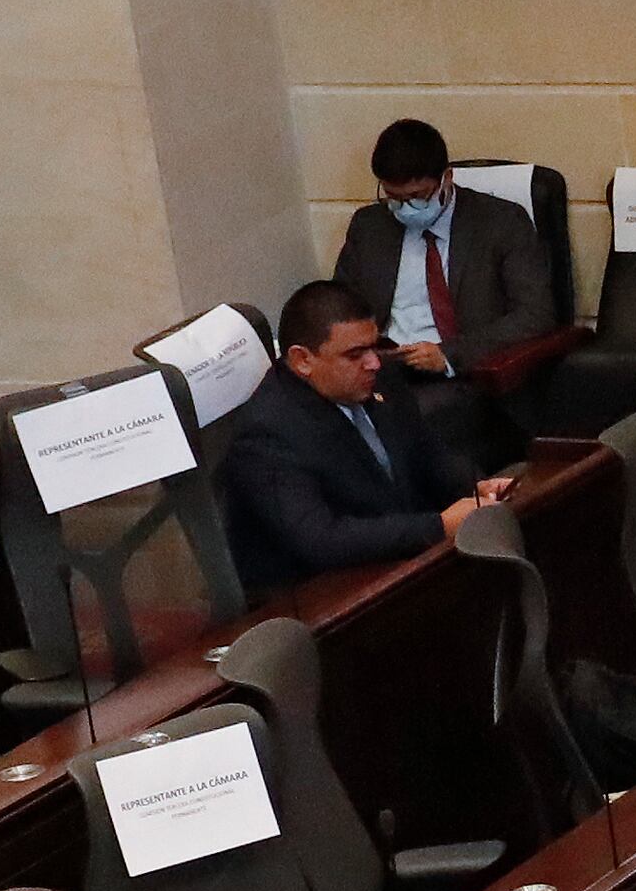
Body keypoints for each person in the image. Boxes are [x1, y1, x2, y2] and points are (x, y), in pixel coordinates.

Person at [221, 285, 500, 599]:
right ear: (302, 360)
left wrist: (476, 488)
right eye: (354, 355)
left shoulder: (379, 378)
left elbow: (428, 454)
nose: (373, 363)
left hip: (404, 567)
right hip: (325, 598)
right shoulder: (266, 434)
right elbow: (322, 540)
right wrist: (437, 527)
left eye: (374, 347)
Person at [329, 123, 561, 457]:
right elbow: (341, 307)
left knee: (399, 425)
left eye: (417, 197)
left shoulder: (500, 222)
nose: (404, 208)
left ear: (447, 179)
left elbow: (536, 314)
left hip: (462, 374)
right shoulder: (370, 227)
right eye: (393, 198)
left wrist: (449, 355)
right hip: (381, 368)